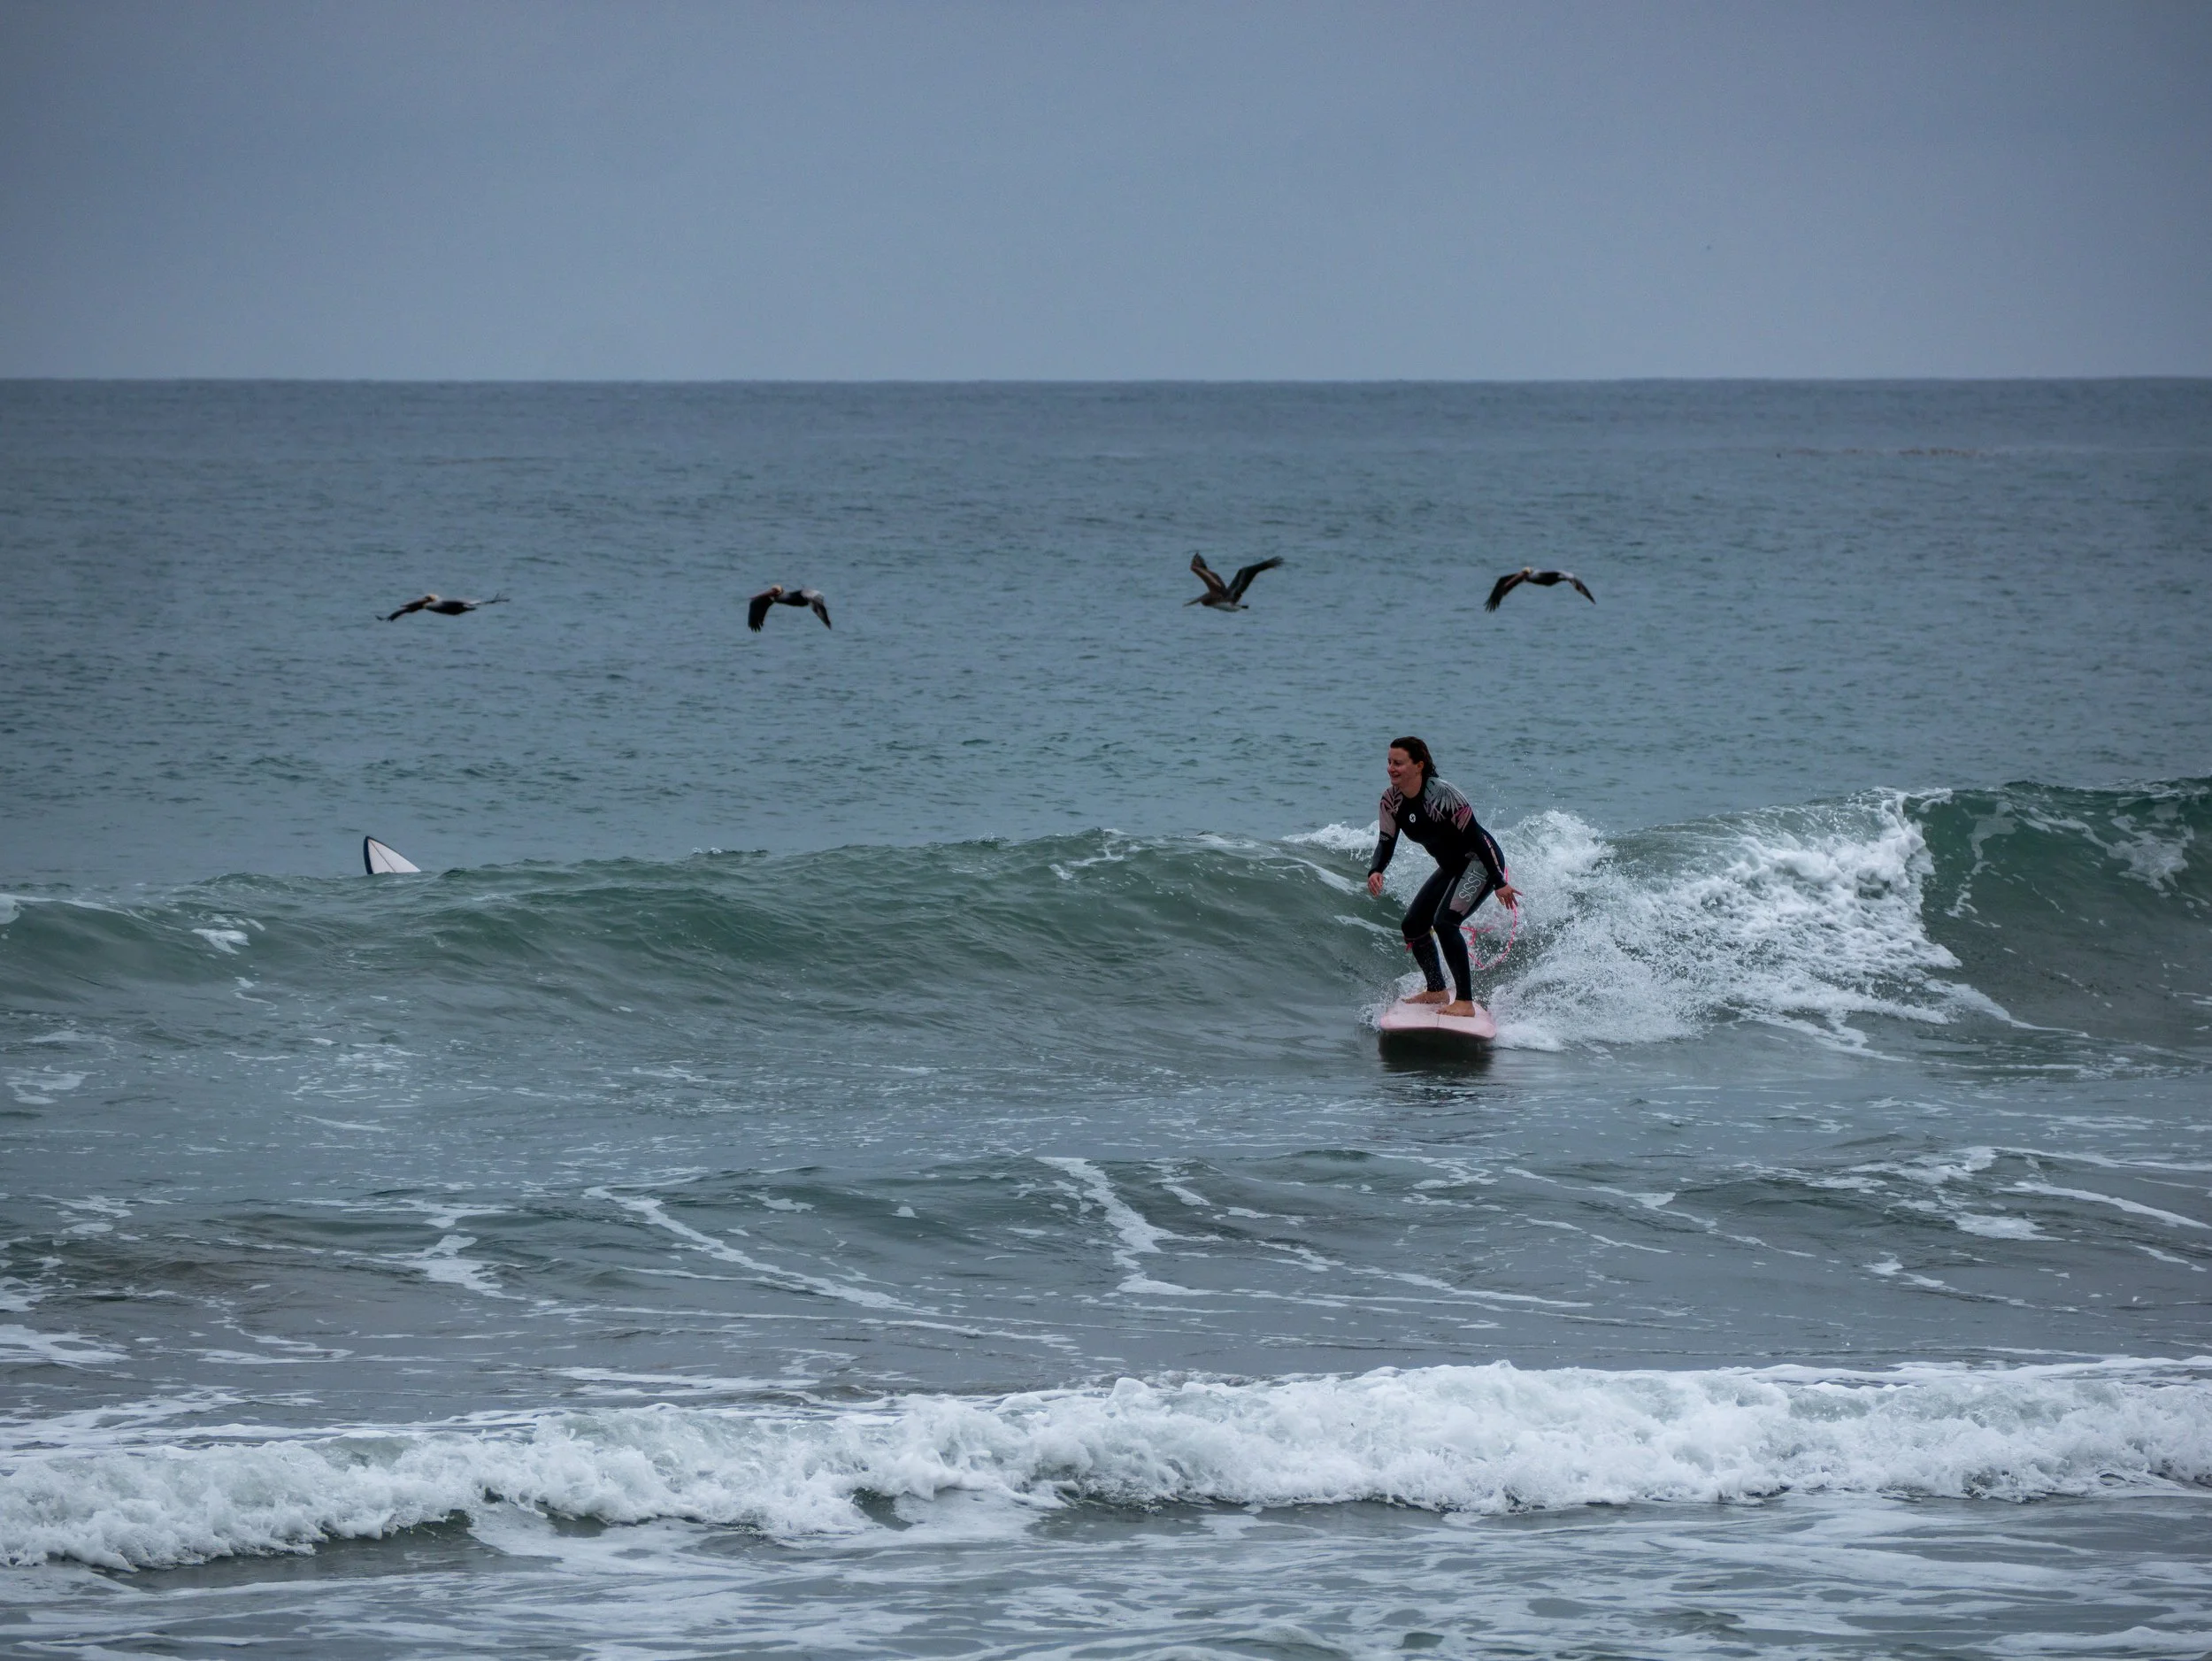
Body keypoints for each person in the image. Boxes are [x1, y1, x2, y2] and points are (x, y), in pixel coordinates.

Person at [1364, 736, 1518, 1017]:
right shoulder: (1391, 801)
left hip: (1480, 862)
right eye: (1389, 762)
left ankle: (1464, 1002)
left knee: (1445, 923)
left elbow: (1479, 840)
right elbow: (1386, 841)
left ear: (1419, 765)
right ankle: (1436, 990)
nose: (1391, 768)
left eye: (1398, 763)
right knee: (1413, 925)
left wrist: (1499, 882)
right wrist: (1376, 870)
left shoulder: (1445, 796)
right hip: (1451, 865)